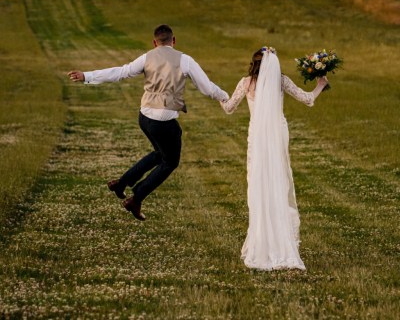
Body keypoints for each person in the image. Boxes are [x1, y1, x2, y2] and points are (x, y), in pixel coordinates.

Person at [68, 24, 228, 221]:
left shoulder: (147, 57)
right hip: (163, 120)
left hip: (144, 118)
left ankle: (121, 184)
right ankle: (136, 198)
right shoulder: (185, 60)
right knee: (170, 162)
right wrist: (225, 96)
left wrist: (87, 76)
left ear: (155, 43)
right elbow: (206, 88)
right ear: (174, 40)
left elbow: (121, 72)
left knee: (160, 154)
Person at [220, 46, 328, 271]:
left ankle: (261, 242)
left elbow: (229, 107)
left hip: (257, 139)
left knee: (258, 185)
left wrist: (217, 94)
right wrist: (320, 85)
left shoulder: (245, 83)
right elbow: (307, 99)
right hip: (277, 137)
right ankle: (280, 241)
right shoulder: (281, 81)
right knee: (278, 182)